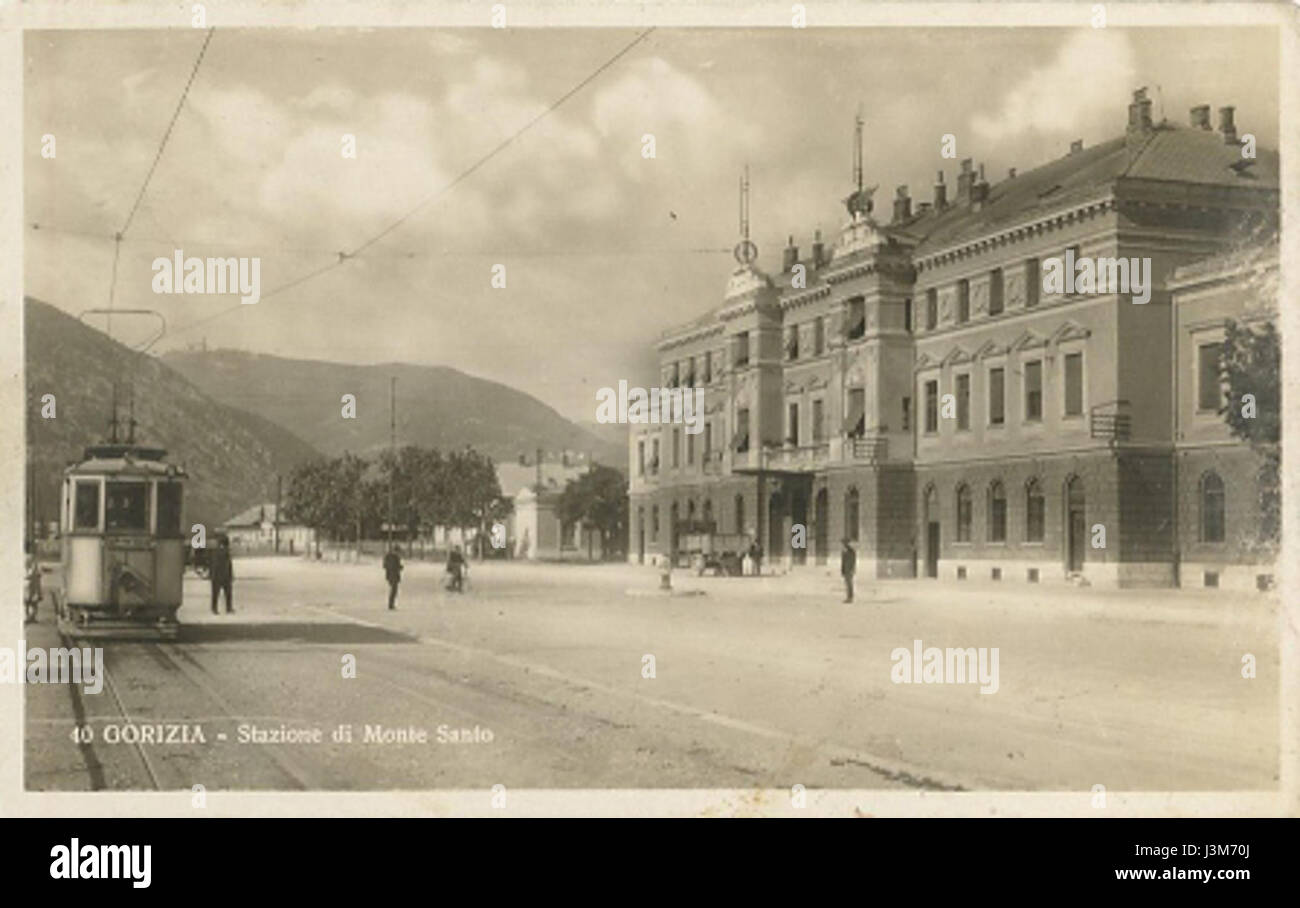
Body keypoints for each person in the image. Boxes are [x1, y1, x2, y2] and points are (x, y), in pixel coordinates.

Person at [210, 535, 234, 614]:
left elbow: (214, 565)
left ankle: (214, 608)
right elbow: (229, 565)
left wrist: (212, 575)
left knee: (215, 594)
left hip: (217, 576)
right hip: (224, 576)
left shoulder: (216, 552)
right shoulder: (225, 552)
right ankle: (228, 608)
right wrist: (231, 575)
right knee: (228, 593)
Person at [840, 538, 856, 603]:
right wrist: (842, 570)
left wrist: (852, 569)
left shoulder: (851, 551)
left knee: (849, 584)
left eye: (845, 543)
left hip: (849, 570)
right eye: (843, 543)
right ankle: (848, 597)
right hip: (846, 570)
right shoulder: (844, 551)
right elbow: (843, 562)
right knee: (847, 584)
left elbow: (853, 561)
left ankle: (850, 597)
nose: (844, 544)